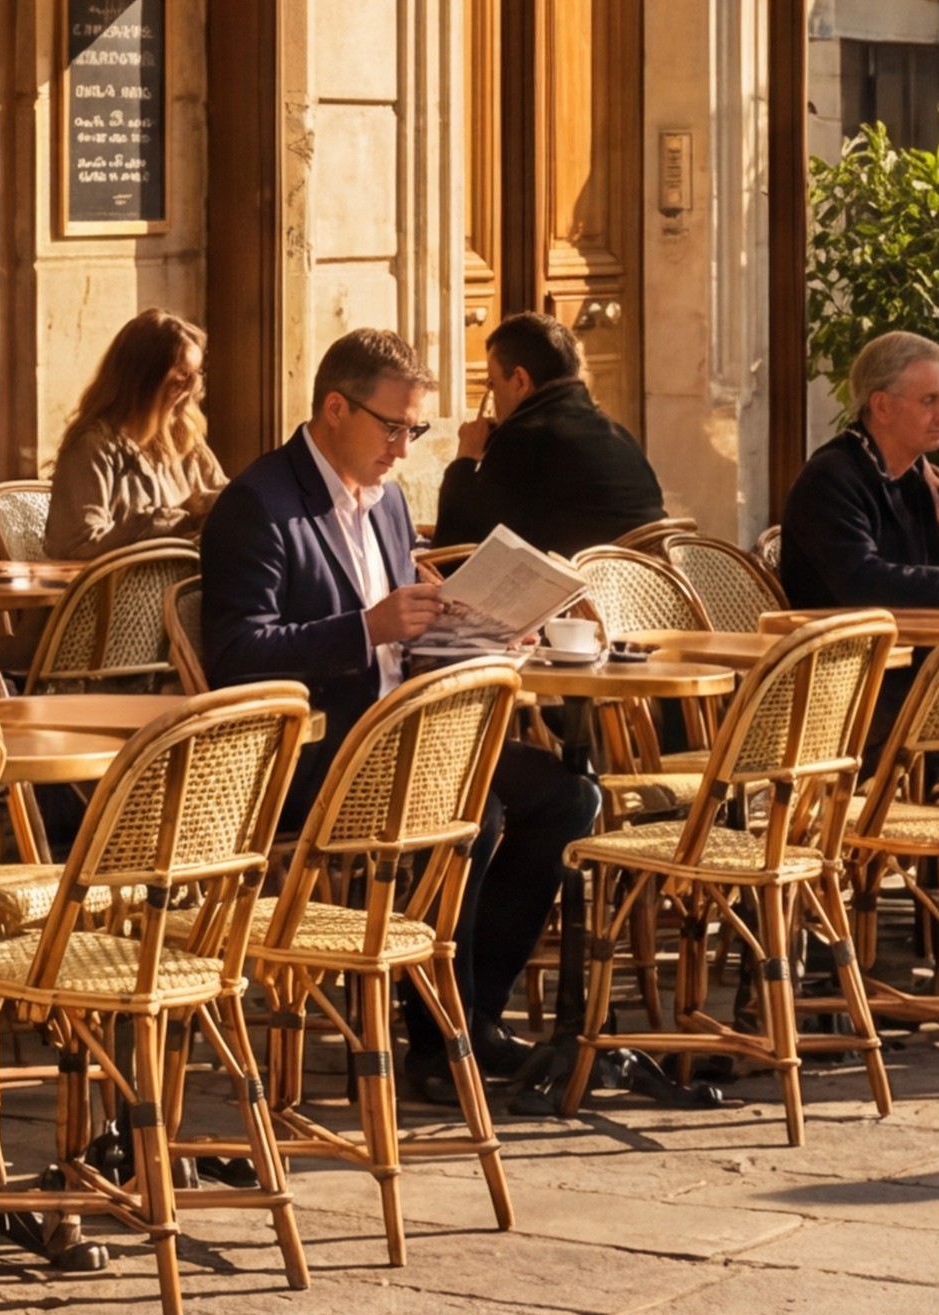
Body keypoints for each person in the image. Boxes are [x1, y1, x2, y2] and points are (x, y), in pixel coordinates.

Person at [196, 329, 596, 1086]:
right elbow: (235, 656)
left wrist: (480, 627)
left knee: (569, 798)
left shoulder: (387, 504)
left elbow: (407, 631)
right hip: (314, 751)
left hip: (406, 733)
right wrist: (364, 628)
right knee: (469, 815)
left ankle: (471, 1015)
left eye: (415, 430)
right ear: (335, 409)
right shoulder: (262, 504)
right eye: (393, 427)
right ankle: (433, 1042)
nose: (404, 449)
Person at [776, 332, 939, 613]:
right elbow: (861, 581)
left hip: (915, 649)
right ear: (881, 406)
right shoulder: (828, 479)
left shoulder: (921, 479)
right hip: (843, 654)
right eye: (929, 400)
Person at [430, 315, 667, 556]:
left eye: (492, 382)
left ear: (520, 380)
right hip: (648, 584)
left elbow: (453, 551)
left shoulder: (522, 439)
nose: (491, 393)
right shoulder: (620, 436)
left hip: (585, 590)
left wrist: (465, 459)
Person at [42, 309, 222, 572]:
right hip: (112, 606)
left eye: (197, 375)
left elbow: (226, 498)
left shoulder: (185, 438)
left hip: (182, 598)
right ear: (144, 381)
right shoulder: (93, 447)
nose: (193, 388)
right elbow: (75, 547)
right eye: (182, 376)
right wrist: (176, 518)